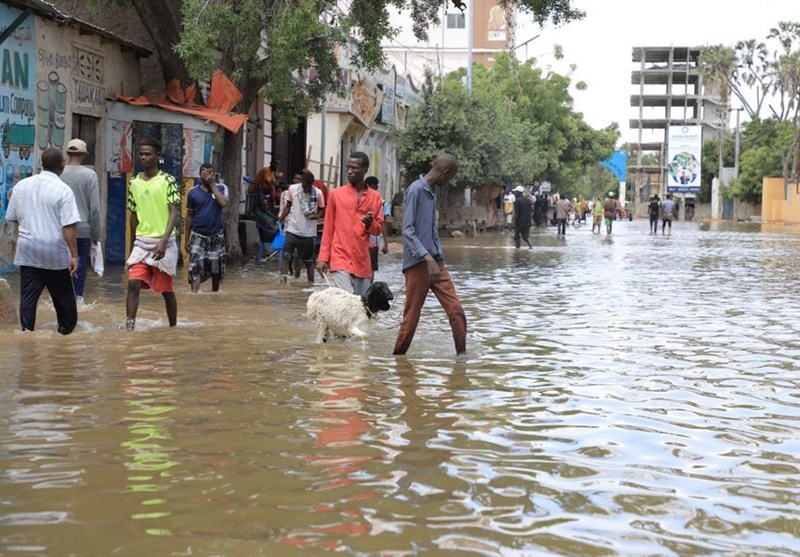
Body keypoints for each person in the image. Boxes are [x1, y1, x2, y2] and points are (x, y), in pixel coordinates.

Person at [393, 153, 467, 356]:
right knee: (411, 320)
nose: (449, 183)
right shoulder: (416, 190)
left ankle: (462, 360)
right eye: (450, 178)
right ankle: (397, 360)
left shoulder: (431, 193)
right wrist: (427, 258)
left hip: (436, 262)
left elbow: (429, 231)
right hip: (419, 263)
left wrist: (436, 259)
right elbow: (407, 230)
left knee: (456, 311)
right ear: (446, 172)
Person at [6, 147, 81, 334]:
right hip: (55, 253)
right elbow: (68, 226)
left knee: (28, 299)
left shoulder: (22, 186)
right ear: (61, 166)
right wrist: (74, 255)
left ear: (42, 164)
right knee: (65, 303)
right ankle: (65, 334)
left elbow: (13, 217)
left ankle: (26, 331)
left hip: (28, 250)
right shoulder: (64, 190)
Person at [125, 137, 181, 331]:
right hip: (142, 242)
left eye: (148, 154)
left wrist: (164, 241)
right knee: (133, 283)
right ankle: (129, 327)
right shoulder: (134, 183)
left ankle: (173, 328)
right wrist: (132, 244)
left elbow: (174, 210)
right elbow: (132, 214)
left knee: (166, 290)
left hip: (164, 242)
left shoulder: (168, 181)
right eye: (141, 154)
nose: (144, 157)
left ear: (158, 156)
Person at [317, 152, 384, 295]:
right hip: (339, 257)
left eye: (354, 168)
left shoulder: (375, 197)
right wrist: (323, 258)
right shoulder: (336, 194)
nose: (349, 171)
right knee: (347, 301)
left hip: (362, 261)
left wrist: (370, 224)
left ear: (365, 170)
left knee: (361, 307)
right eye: (348, 167)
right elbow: (328, 228)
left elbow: (378, 230)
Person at [60, 138, 101, 305]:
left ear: (68, 153)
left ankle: (61, 299)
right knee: (80, 266)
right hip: (82, 230)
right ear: (83, 155)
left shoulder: (58, 173)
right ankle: (77, 299)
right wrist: (96, 235)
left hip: (61, 230)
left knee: (62, 265)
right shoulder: (90, 175)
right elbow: (95, 209)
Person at [185, 163, 228, 293]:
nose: (206, 175)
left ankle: (215, 295)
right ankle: (194, 295)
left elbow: (223, 203)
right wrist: (186, 239)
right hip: (198, 235)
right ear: (199, 174)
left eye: (209, 173)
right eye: (204, 172)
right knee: (195, 267)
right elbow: (189, 216)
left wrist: (212, 184)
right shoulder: (193, 192)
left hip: (216, 235)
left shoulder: (221, 188)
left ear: (213, 174)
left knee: (216, 269)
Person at [278, 170, 325, 283]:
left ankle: (310, 285)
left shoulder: (318, 193)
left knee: (308, 261)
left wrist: (317, 216)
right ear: (301, 183)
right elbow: (288, 206)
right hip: (292, 230)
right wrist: (280, 219)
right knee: (286, 255)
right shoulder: (293, 189)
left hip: (308, 233)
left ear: (312, 184)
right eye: (305, 186)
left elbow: (322, 208)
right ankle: (283, 281)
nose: (307, 188)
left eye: (309, 186)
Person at [365, 176, 390, 275]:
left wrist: (386, 243)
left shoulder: (382, 203)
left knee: (371, 268)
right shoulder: (359, 200)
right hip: (359, 240)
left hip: (373, 241)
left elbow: (383, 224)